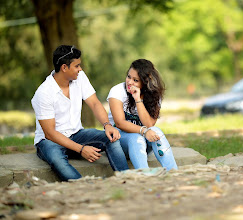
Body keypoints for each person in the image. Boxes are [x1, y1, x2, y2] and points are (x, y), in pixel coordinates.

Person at [31, 45, 129, 181]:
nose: (80, 69)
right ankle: (84, 187)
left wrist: (107, 125)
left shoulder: (80, 77)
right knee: (57, 160)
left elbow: (94, 103)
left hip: (77, 134)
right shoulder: (44, 93)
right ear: (64, 67)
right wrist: (81, 149)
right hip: (50, 141)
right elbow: (50, 133)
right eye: (77, 66)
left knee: (111, 138)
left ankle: (127, 178)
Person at [107, 59, 178, 171]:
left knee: (157, 131)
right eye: (128, 77)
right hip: (120, 141)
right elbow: (120, 123)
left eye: (135, 80)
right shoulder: (117, 91)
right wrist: (144, 131)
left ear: (145, 83)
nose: (130, 82)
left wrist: (138, 100)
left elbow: (149, 124)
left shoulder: (154, 94)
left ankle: (173, 171)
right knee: (136, 138)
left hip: (144, 142)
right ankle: (144, 174)